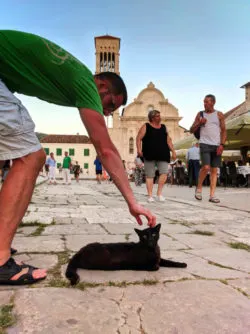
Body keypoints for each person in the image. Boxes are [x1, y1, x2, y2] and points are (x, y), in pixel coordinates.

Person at [0, 30, 155, 285]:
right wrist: (132, 202)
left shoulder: (77, 76)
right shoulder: (86, 84)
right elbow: (105, 149)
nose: (106, 112)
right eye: (110, 105)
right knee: (31, 157)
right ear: (103, 86)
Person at [190, 94, 226, 203]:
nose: (204, 104)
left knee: (214, 170)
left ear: (213, 102)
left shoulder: (219, 115)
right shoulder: (200, 114)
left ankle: (212, 195)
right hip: (204, 143)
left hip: (216, 145)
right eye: (204, 102)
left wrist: (222, 144)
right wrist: (199, 123)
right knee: (206, 167)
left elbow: (224, 131)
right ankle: (199, 188)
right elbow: (191, 130)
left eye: (207, 102)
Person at [136, 109, 177, 202]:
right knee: (150, 175)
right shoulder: (146, 126)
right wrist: (138, 149)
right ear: (152, 118)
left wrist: (173, 151)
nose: (160, 117)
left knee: (164, 173)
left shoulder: (163, 127)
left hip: (163, 154)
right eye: (158, 116)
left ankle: (159, 194)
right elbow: (138, 138)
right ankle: (150, 196)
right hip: (149, 154)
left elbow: (168, 140)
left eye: (159, 115)